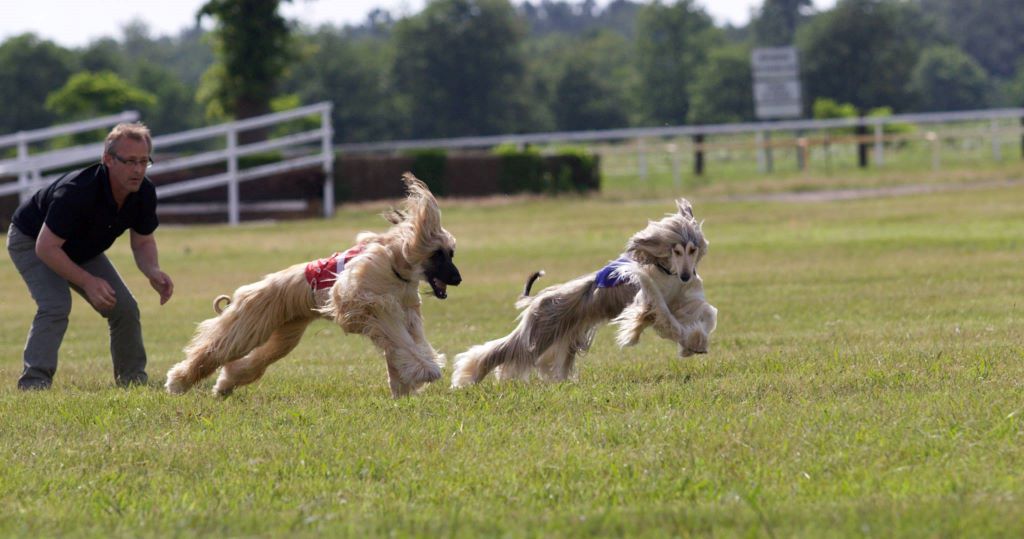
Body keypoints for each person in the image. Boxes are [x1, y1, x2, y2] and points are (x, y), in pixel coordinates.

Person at [7, 122, 173, 390]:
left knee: (125, 308)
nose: (138, 169)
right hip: (32, 240)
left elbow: (142, 241)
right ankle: (34, 383)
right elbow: (46, 247)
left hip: (79, 247)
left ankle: (132, 382)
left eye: (144, 161)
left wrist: (152, 270)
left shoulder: (143, 192)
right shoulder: (76, 191)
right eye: (130, 161)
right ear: (107, 159)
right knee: (55, 304)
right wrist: (87, 281)